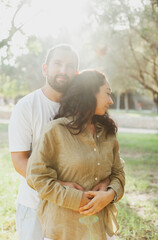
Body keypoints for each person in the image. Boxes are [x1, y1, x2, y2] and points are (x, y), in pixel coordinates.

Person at [8, 45, 111, 240]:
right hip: (34, 205)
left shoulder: (84, 109)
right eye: (58, 64)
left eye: (70, 66)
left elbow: (100, 155)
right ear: (45, 68)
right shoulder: (26, 107)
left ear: (77, 73)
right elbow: (19, 161)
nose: (63, 70)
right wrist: (59, 186)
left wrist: (105, 182)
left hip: (73, 211)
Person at [26, 70, 125, 240]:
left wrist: (109, 195)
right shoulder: (55, 131)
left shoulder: (108, 133)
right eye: (107, 94)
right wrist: (75, 198)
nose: (111, 100)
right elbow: (36, 177)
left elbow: (118, 173)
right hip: (63, 230)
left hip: (101, 229)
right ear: (89, 93)